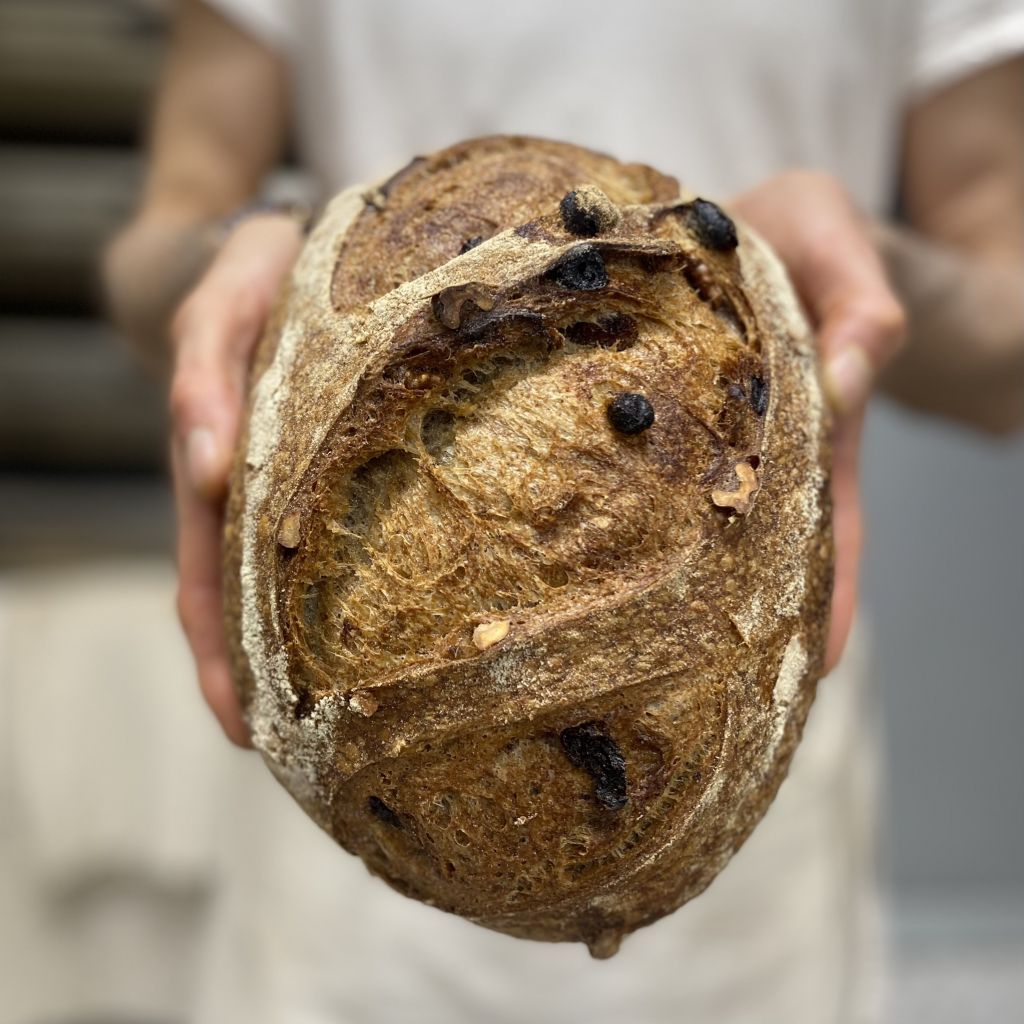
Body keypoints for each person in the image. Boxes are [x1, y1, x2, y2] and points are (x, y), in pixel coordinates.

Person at [101, 1, 1024, 1021]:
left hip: (736, 759)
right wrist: (231, 259)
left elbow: (1004, 347)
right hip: (340, 810)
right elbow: (157, 236)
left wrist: (859, 268)